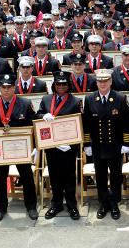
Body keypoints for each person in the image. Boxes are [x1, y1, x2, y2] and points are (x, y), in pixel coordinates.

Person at [0, 74, 38, 222]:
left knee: (26, 176)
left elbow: (33, 125)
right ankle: (1, 208)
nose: (6, 90)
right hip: (0, 150)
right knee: (0, 179)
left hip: (21, 148)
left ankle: (31, 206)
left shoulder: (25, 104)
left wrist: (35, 146)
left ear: (14, 87)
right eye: (3, 87)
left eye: (9, 87)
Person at [82, 69, 129, 220]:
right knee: (101, 176)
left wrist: (127, 142)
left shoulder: (120, 98)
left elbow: (126, 122)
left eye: (106, 81)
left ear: (110, 82)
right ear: (96, 83)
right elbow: (86, 123)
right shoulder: (90, 99)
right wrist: (87, 144)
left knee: (116, 177)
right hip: (98, 146)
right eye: (100, 81)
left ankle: (115, 203)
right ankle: (103, 203)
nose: (103, 84)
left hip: (115, 146)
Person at [38, 72, 82, 220]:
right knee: (54, 177)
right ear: (54, 85)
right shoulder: (46, 99)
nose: (61, 87)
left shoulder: (75, 101)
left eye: (64, 84)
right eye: (58, 84)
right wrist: (42, 116)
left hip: (68, 147)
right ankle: (56, 204)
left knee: (69, 177)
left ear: (68, 85)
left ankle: (71, 205)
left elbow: (79, 125)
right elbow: (37, 115)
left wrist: (71, 144)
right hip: (51, 147)